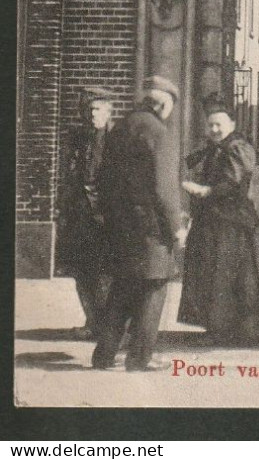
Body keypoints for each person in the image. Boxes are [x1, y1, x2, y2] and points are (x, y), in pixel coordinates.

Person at [92, 76, 183, 372]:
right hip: (151, 229)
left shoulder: (121, 127)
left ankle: (103, 356)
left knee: (122, 288)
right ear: (165, 104)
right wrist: (176, 226)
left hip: (121, 226)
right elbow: (164, 188)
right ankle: (139, 358)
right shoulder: (159, 132)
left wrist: (110, 216)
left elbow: (103, 177)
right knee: (154, 288)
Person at [177, 94, 259, 347]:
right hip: (215, 220)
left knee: (223, 274)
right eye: (210, 124)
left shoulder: (237, 147)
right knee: (214, 272)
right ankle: (222, 327)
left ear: (231, 124)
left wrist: (205, 191)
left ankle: (225, 330)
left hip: (231, 223)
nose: (213, 129)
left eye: (218, 124)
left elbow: (233, 181)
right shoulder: (218, 147)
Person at [56, 87, 115, 340]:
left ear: (109, 111)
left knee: (105, 274)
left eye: (98, 109)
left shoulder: (117, 139)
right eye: (89, 109)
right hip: (79, 217)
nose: (93, 114)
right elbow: (68, 174)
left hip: (105, 218)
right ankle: (92, 322)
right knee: (81, 272)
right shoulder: (77, 137)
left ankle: (109, 326)